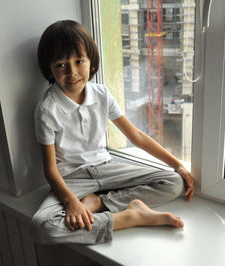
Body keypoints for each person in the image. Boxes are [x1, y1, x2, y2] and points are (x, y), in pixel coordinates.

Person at [32, 20, 195, 245]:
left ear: (91, 62)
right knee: (45, 226)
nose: (72, 72)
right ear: (49, 68)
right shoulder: (46, 109)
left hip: (107, 169)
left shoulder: (101, 94)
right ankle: (131, 216)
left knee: (174, 183)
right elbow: (50, 169)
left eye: (79, 61)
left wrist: (176, 164)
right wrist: (71, 202)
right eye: (61, 65)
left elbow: (136, 136)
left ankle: (100, 203)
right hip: (72, 179)